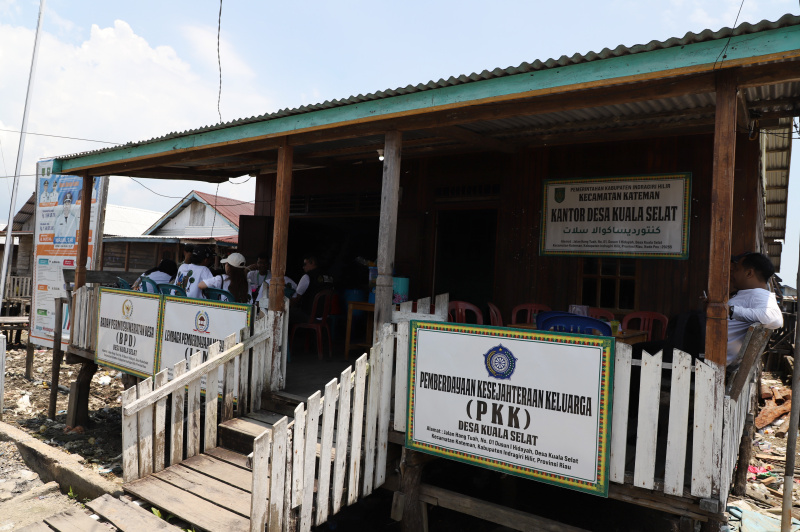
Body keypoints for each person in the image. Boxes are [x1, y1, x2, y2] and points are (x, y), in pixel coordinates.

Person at [727, 251, 783, 366]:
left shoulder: (760, 295)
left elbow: (775, 319)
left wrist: (730, 310)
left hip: (712, 357)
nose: (732, 273)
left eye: (736, 269)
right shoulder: (751, 294)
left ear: (749, 273)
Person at [290, 255, 331, 323]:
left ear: (312, 262)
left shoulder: (307, 276)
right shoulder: (329, 276)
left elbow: (296, 298)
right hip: (326, 316)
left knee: (285, 313)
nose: (303, 267)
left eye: (305, 264)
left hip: (312, 317)